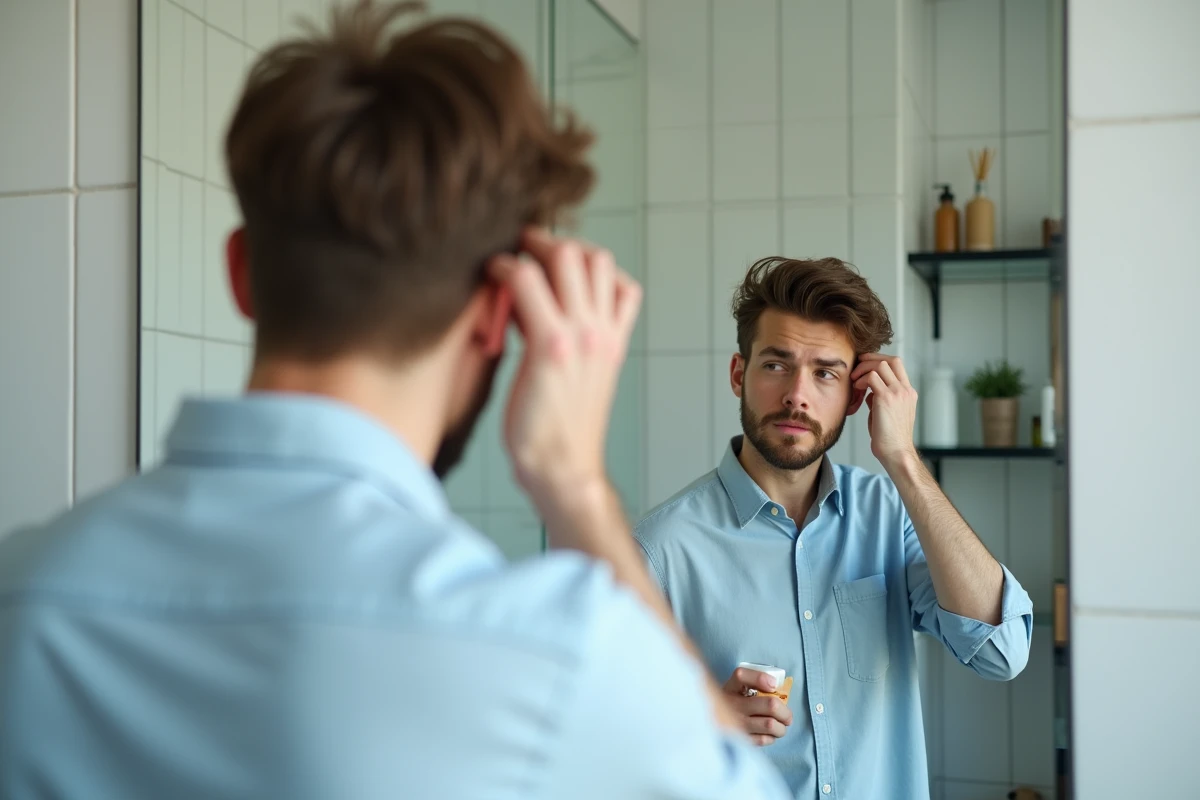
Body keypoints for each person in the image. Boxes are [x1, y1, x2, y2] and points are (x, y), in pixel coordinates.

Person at [0, 5, 791, 799]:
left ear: (241, 272)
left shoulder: (22, 590)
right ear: (496, 314)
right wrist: (576, 488)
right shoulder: (549, 652)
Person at [634, 256, 1034, 799]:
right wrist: (697, 723)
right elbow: (599, 737)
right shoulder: (660, 550)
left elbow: (1001, 652)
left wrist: (904, 461)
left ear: (855, 397)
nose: (797, 395)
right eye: (776, 364)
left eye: (825, 372)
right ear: (738, 375)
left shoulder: (890, 514)